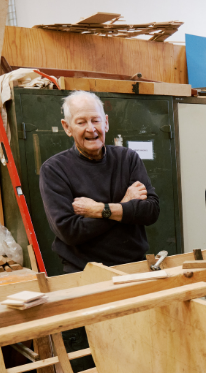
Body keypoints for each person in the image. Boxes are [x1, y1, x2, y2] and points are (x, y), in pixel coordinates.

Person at [40, 90, 160, 273]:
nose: (91, 128)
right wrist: (124, 205)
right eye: (81, 122)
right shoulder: (54, 170)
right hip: (84, 273)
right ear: (67, 128)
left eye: (96, 120)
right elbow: (70, 231)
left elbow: (150, 211)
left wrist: (98, 210)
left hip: (134, 268)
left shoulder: (127, 159)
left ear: (106, 122)